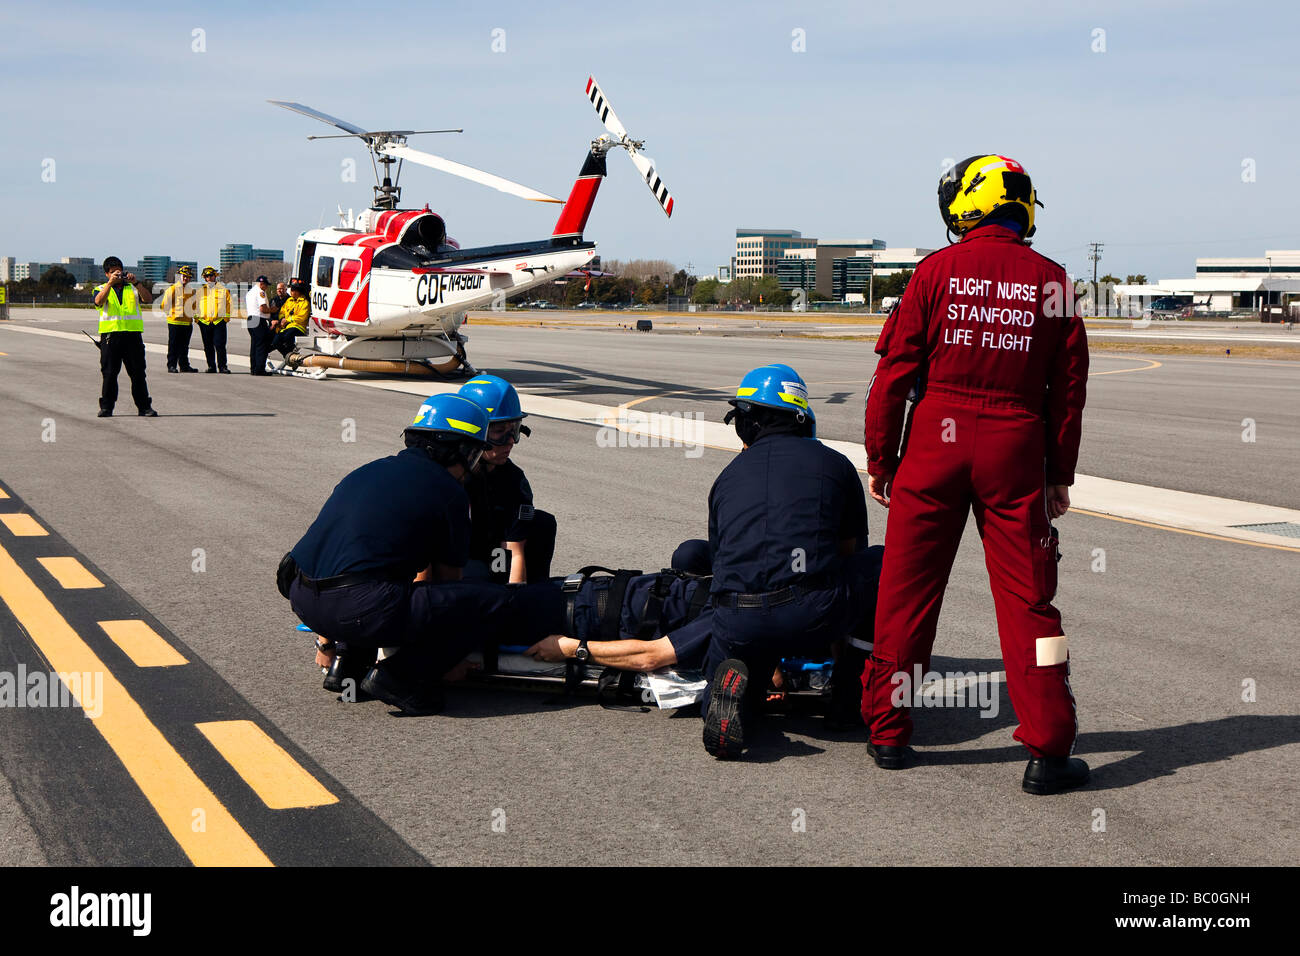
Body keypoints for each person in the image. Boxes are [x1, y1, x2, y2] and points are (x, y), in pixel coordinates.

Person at [861, 154, 1090, 794]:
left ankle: (888, 732)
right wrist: (1058, 473)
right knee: (1029, 600)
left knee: (905, 594)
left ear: (967, 204)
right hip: (1015, 450)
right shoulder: (1054, 282)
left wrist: (882, 459)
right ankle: (1048, 749)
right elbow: (1067, 392)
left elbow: (892, 378)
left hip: (936, 443)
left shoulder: (935, 271)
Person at [285, 393, 563, 715]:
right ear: (460, 450)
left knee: (375, 576)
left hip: (305, 600)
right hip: (359, 608)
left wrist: (327, 640)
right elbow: (448, 587)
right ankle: (399, 677)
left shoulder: (369, 470)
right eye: (473, 454)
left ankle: (347, 666)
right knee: (484, 600)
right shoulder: (448, 493)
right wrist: (449, 659)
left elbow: (330, 553)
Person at [694, 363, 876, 759]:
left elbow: (722, 560)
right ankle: (848, 698)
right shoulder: (837, 466)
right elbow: (851, 555)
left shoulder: (727, 476)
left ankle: (736, 697)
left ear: (751, 421)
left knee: (747, 656)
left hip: (735, 616)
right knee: (878, 565)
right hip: (808, 613)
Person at [457, 375, 557, 584]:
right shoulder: (447, 476)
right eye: (499, 432)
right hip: (447, 559)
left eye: (514, 430)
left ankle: (536, 596)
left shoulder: (513, 480)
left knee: (542, 523)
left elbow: (515, 551)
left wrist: (515, 602)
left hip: (492, 555)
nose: (510, 441)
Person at [92, 257, 157, 417]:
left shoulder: (133, 287)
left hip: (132, 336)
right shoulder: (101, 288)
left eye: (119, 270)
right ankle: (106, 407)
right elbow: (98, 302)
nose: (117, 274)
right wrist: (110, 284)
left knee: (138, 373)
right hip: (110, 337)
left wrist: (137, 283)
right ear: (107, 274)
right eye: (113, 272)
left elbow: (148, 299)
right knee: (109, 374)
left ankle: (144, 407)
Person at [158, 265, 199, 373]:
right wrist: (172, 314)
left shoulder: (191, 291)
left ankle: (184, 365)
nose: (186, 278)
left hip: (187, 323)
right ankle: (171, 365)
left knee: (184, 346)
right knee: (173, 346)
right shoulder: (172, 289)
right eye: (184, 276)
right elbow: (164, 305)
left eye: (188, 277)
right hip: (174, 322)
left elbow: (194, 306)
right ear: (180, 276)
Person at [197, 266, 232, 373]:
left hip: (219, 322)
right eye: (207, 276)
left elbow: (229, 305)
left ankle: (223, 366)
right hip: (204, 322)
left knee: (220, 345)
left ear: (215, 276)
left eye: (211, 275)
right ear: (204, 278)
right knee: (208, 346)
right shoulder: (200, 291)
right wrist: (197, 320)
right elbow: (195, 306)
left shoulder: (223, 290)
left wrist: (225, 319)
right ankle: (211, 366)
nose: (209, 278)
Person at [268, 278, 310, 366]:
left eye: (294, 290)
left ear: (299, 292)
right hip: (286, 327)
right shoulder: (289, 301)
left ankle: (291, 358)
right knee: (276, 341)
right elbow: (282, 312)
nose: (292, 292)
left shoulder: (305, 303)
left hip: (298, 327)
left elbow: (302, 317)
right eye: (292, 289)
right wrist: (282, 320)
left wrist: (288, 320)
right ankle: (290, 357)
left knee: (286, 338)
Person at [245, 274, 273, 376]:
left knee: (254, 344)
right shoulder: (261, 292)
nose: (267, 287)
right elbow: (263, 309)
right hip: (258, 319)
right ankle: (260, 368)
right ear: (262, 284)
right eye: (266, 285)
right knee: (262, 344)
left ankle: (254, 368)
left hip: (251, 319)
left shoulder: (250, 292)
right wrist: (272, 310)